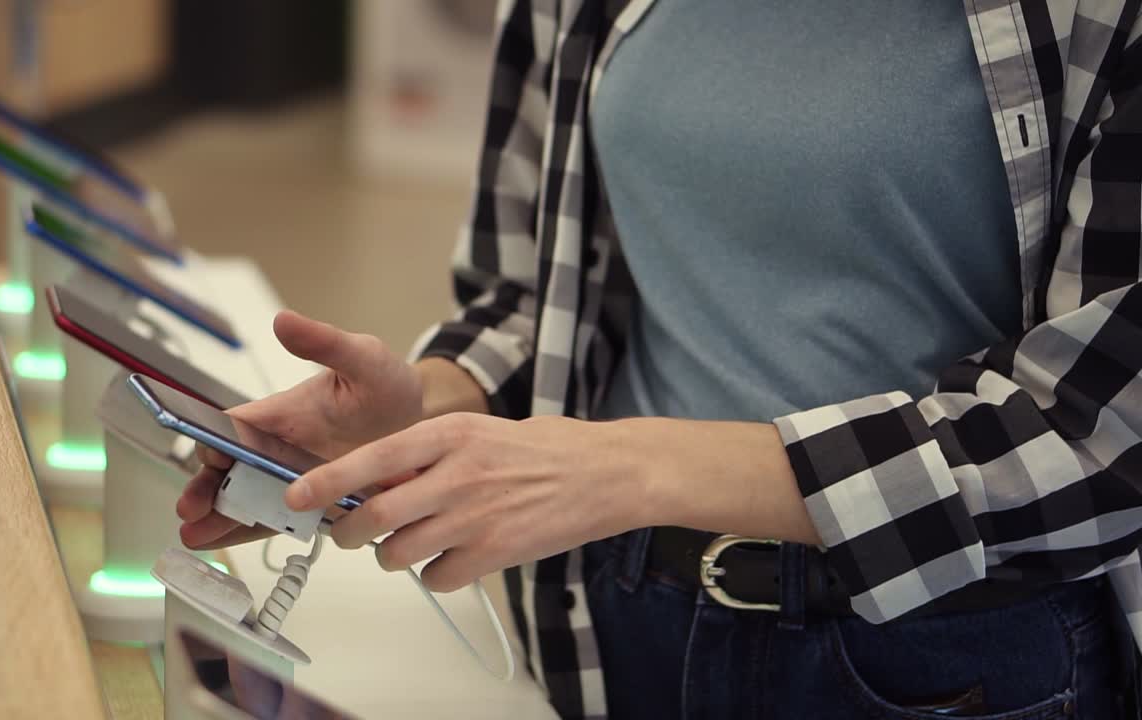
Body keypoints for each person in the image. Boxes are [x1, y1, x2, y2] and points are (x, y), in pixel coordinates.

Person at [178, 1, 1142, 718]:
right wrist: (427, 402)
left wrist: (629, 467)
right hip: (616, 611)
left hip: (944, 656)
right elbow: (547, 291)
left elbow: (1103, 441)